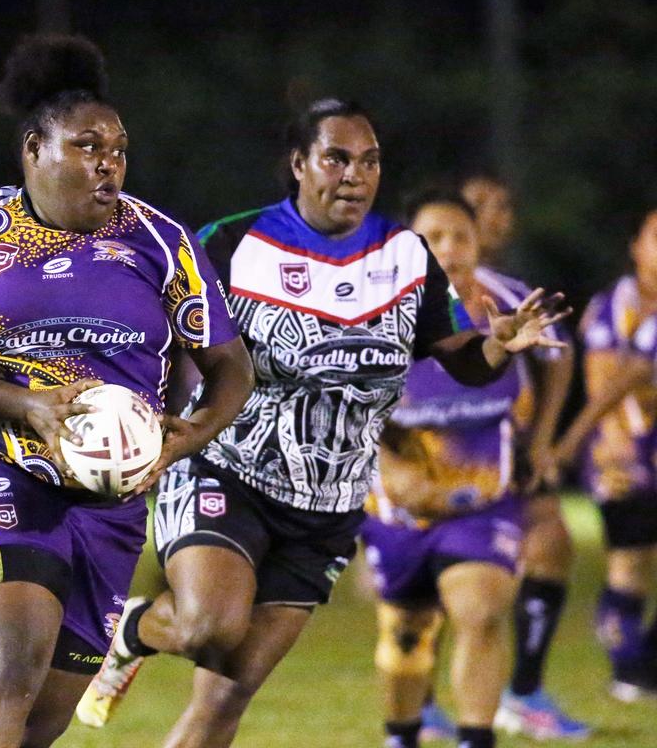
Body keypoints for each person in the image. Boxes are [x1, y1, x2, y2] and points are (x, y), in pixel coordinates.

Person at [76, 98, 567, 748]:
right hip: (230, 468)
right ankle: (139, 628)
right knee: (208, 629)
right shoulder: (233, 243)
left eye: (369, 161)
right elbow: (157, 337)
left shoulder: (405, 254)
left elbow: (463, 362)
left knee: (232, 683)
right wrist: (135, 422)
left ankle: (145, 631)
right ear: (300, 164)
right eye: (337, 158)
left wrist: (498, 344)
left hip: (327, 506)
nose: (355, 175)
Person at [0, 34, 253, 748]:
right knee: (7, 674)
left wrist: (190, 434)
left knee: (35, 720)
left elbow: (231, 367)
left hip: (109, 501)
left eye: (118, 149)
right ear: (35, 149)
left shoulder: (160, 241)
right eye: (88, 146)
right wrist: (26, 405)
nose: (109, 165)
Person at [361, 189, 564, 748]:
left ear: (479, 244)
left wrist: (543, 439)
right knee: (406, 639)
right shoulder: (374, 310)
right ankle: (403, 733)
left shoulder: (509, 303)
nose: (449, 248)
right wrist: (379, 457)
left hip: (482, 500)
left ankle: (477, 738)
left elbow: (557, 356)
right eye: (434, 237)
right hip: (397, 508)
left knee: (480, 611)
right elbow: (344, 397)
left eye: (461, 236)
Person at [460, 172, 587, 739]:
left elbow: (560, 355)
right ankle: (416, 707)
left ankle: (524, 691)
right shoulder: (408, 289)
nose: (499, 216)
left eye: (506, 205)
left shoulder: (510, 291)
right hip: (436, 455)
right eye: (484, 205)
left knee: (552, 544)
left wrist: (542, 439)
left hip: (506, 451)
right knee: (428, 585)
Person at [549, 208, 657, 701]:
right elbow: (607, 381)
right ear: (636, 246)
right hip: (626, 456)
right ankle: (629, 672)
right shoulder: (617, 305)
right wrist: (585, 443)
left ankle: (644, 662)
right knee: (629, 564)